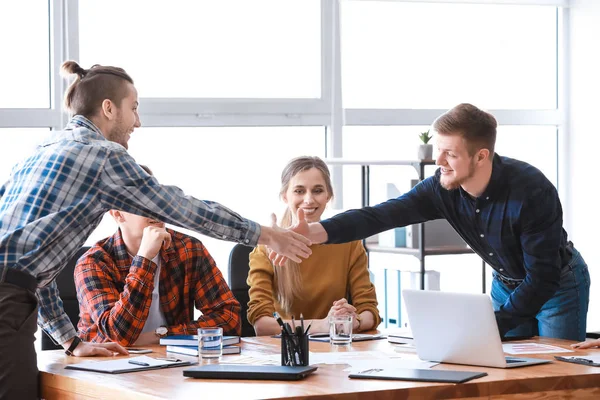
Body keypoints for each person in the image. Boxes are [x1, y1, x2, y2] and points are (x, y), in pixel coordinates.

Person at [0, 61, 310, 400]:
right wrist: (265, 234)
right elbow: (183, 208)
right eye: (133, 109)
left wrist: (72, 342)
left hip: (13, 294)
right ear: (108, 108)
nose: (137, 121)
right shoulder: (103, 156)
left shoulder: (40, 151)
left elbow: (30, 269)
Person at [283, 103, 590, 342]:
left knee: (556, 375)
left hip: (557, 287)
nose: (438, 161)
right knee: (505, 374)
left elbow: (543, 277)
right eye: (438, 150)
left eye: (450, 154)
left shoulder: (531, 191)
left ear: (481, 156)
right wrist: (314, 232)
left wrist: (491, 325)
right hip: (506, 283)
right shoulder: (441, 188)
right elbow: (380, 215)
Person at [75, 165, 241, 346]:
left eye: (156, 199)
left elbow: (229, 318)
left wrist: (162, 336)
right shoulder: (93, 263)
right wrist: (144, 259)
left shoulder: (189, 248)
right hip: (105, 366)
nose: (154, 209)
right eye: (141, 202)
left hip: (169, 360)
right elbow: (119, 336)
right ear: (118, 215)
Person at [247, 156, 380, 336]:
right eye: (299, 191)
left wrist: (351, 321)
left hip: (338, 350)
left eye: (317, 190)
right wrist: (324, 326)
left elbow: (370, 312)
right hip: (288, 352)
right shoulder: (267, 248)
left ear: (328, 196)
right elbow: (262, 325)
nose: (309, 200)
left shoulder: (349, 244)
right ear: (285, 196)